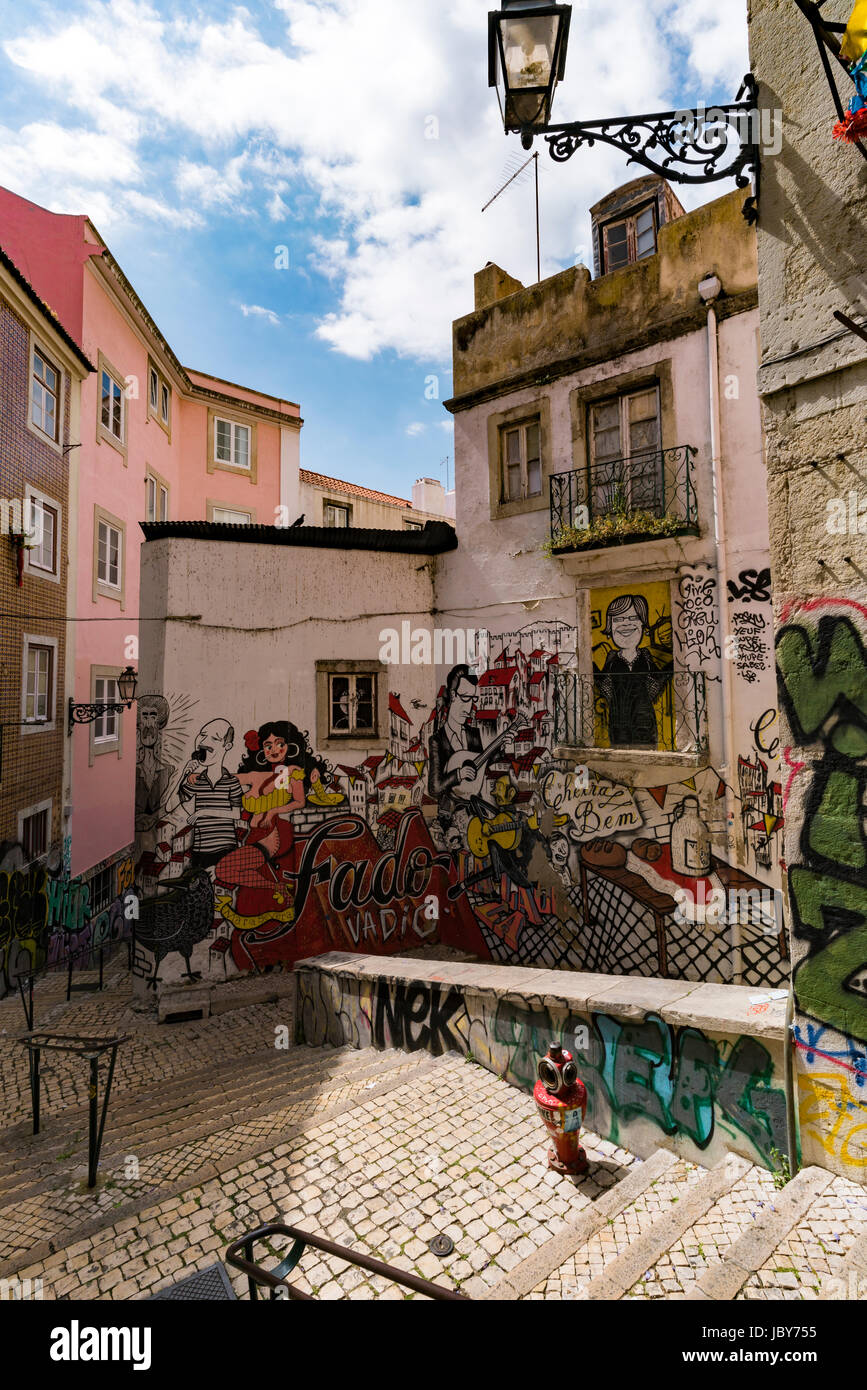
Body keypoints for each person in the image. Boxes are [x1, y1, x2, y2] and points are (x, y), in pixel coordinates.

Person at [594, 594, 671, 748]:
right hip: (618, 724)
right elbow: (604, 685)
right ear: (610, 627)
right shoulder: (612, 658)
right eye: (618, 619)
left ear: (643, 624)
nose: (625, 624)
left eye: (632, 618)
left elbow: (656, 683)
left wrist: (672, 667)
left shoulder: (646, 656)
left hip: (645, 724)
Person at [167, 719, 242, 869]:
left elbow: (236, 814)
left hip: (226, 849)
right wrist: (183, 774)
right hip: (200, 851)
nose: (204, 741)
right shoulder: (197, 780)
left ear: (227, 746)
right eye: (202, 735)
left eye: (214, 738)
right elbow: (169, 806)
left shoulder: (232, 782)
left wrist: (203, 811)